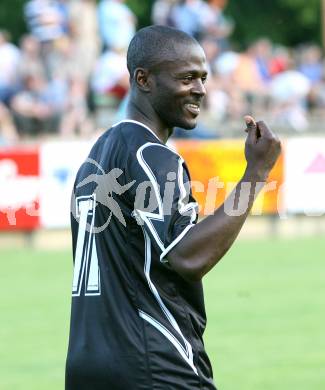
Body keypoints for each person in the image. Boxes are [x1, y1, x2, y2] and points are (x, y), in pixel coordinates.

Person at [65, 25, 281, 389]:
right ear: (144, 79)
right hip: (154, 363)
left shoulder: (97, 155)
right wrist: (256, 174)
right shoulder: (151, 155)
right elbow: (186, 257)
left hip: (88, 363)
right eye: (186, 78)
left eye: (203, 77)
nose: (199, 89)